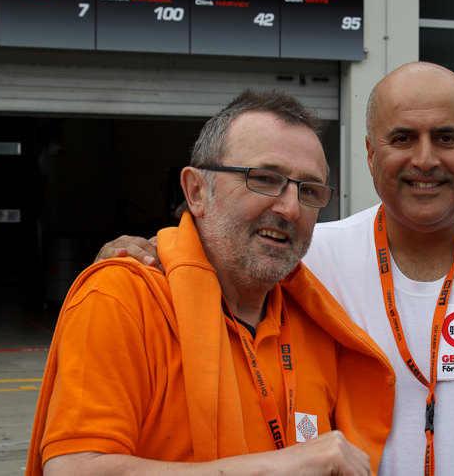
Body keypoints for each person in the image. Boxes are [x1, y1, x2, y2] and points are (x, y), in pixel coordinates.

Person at [95, 62, 454, 475]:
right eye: (403, 138)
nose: (425, 160)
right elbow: (213, 254)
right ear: (371, 154)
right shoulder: (301, 259)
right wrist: (149, 251)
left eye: (446, 138)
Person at [26, 90, 395, 476]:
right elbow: (73, 469)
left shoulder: (318, 320)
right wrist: (284, 465)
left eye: (309, 190)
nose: (290, 208)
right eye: (264, 179)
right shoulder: (124, 299)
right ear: (197, 192)